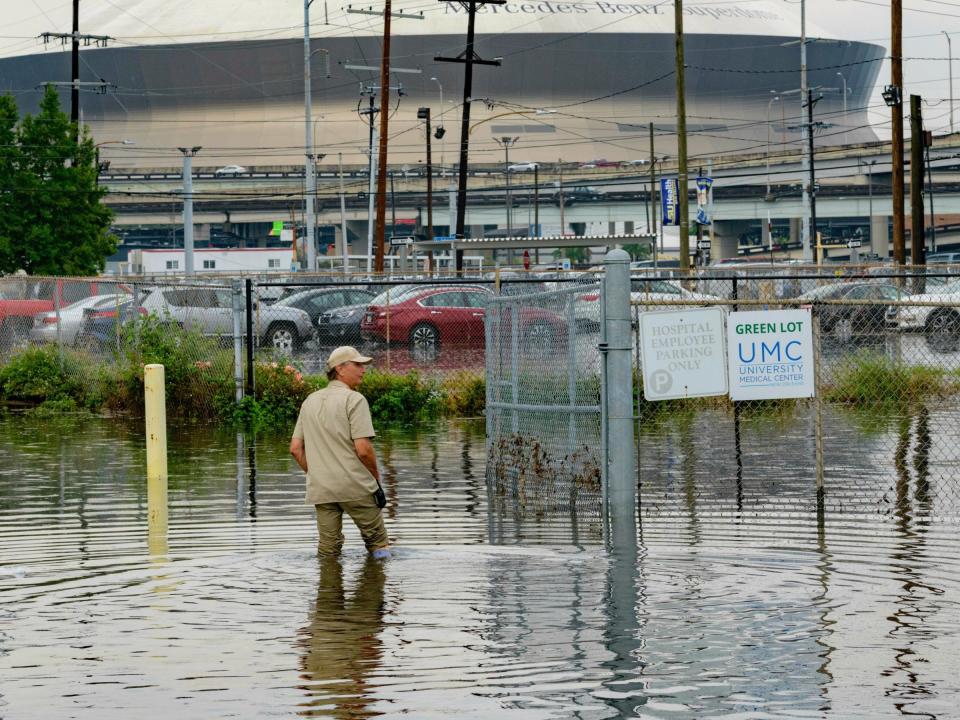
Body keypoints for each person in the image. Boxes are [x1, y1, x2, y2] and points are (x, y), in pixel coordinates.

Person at [290, 346, 390, 558]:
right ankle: (377, 585)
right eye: (358, 365)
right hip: (356, 486)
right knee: (378, 545)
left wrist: (317, 473)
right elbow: (363, 450)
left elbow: (296, 449)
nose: (363, 370)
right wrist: (376, 479)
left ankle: (329, 588)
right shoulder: (354, 399)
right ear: (340, 369)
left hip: (322, 489)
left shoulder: (309, 401)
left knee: (328, 551)